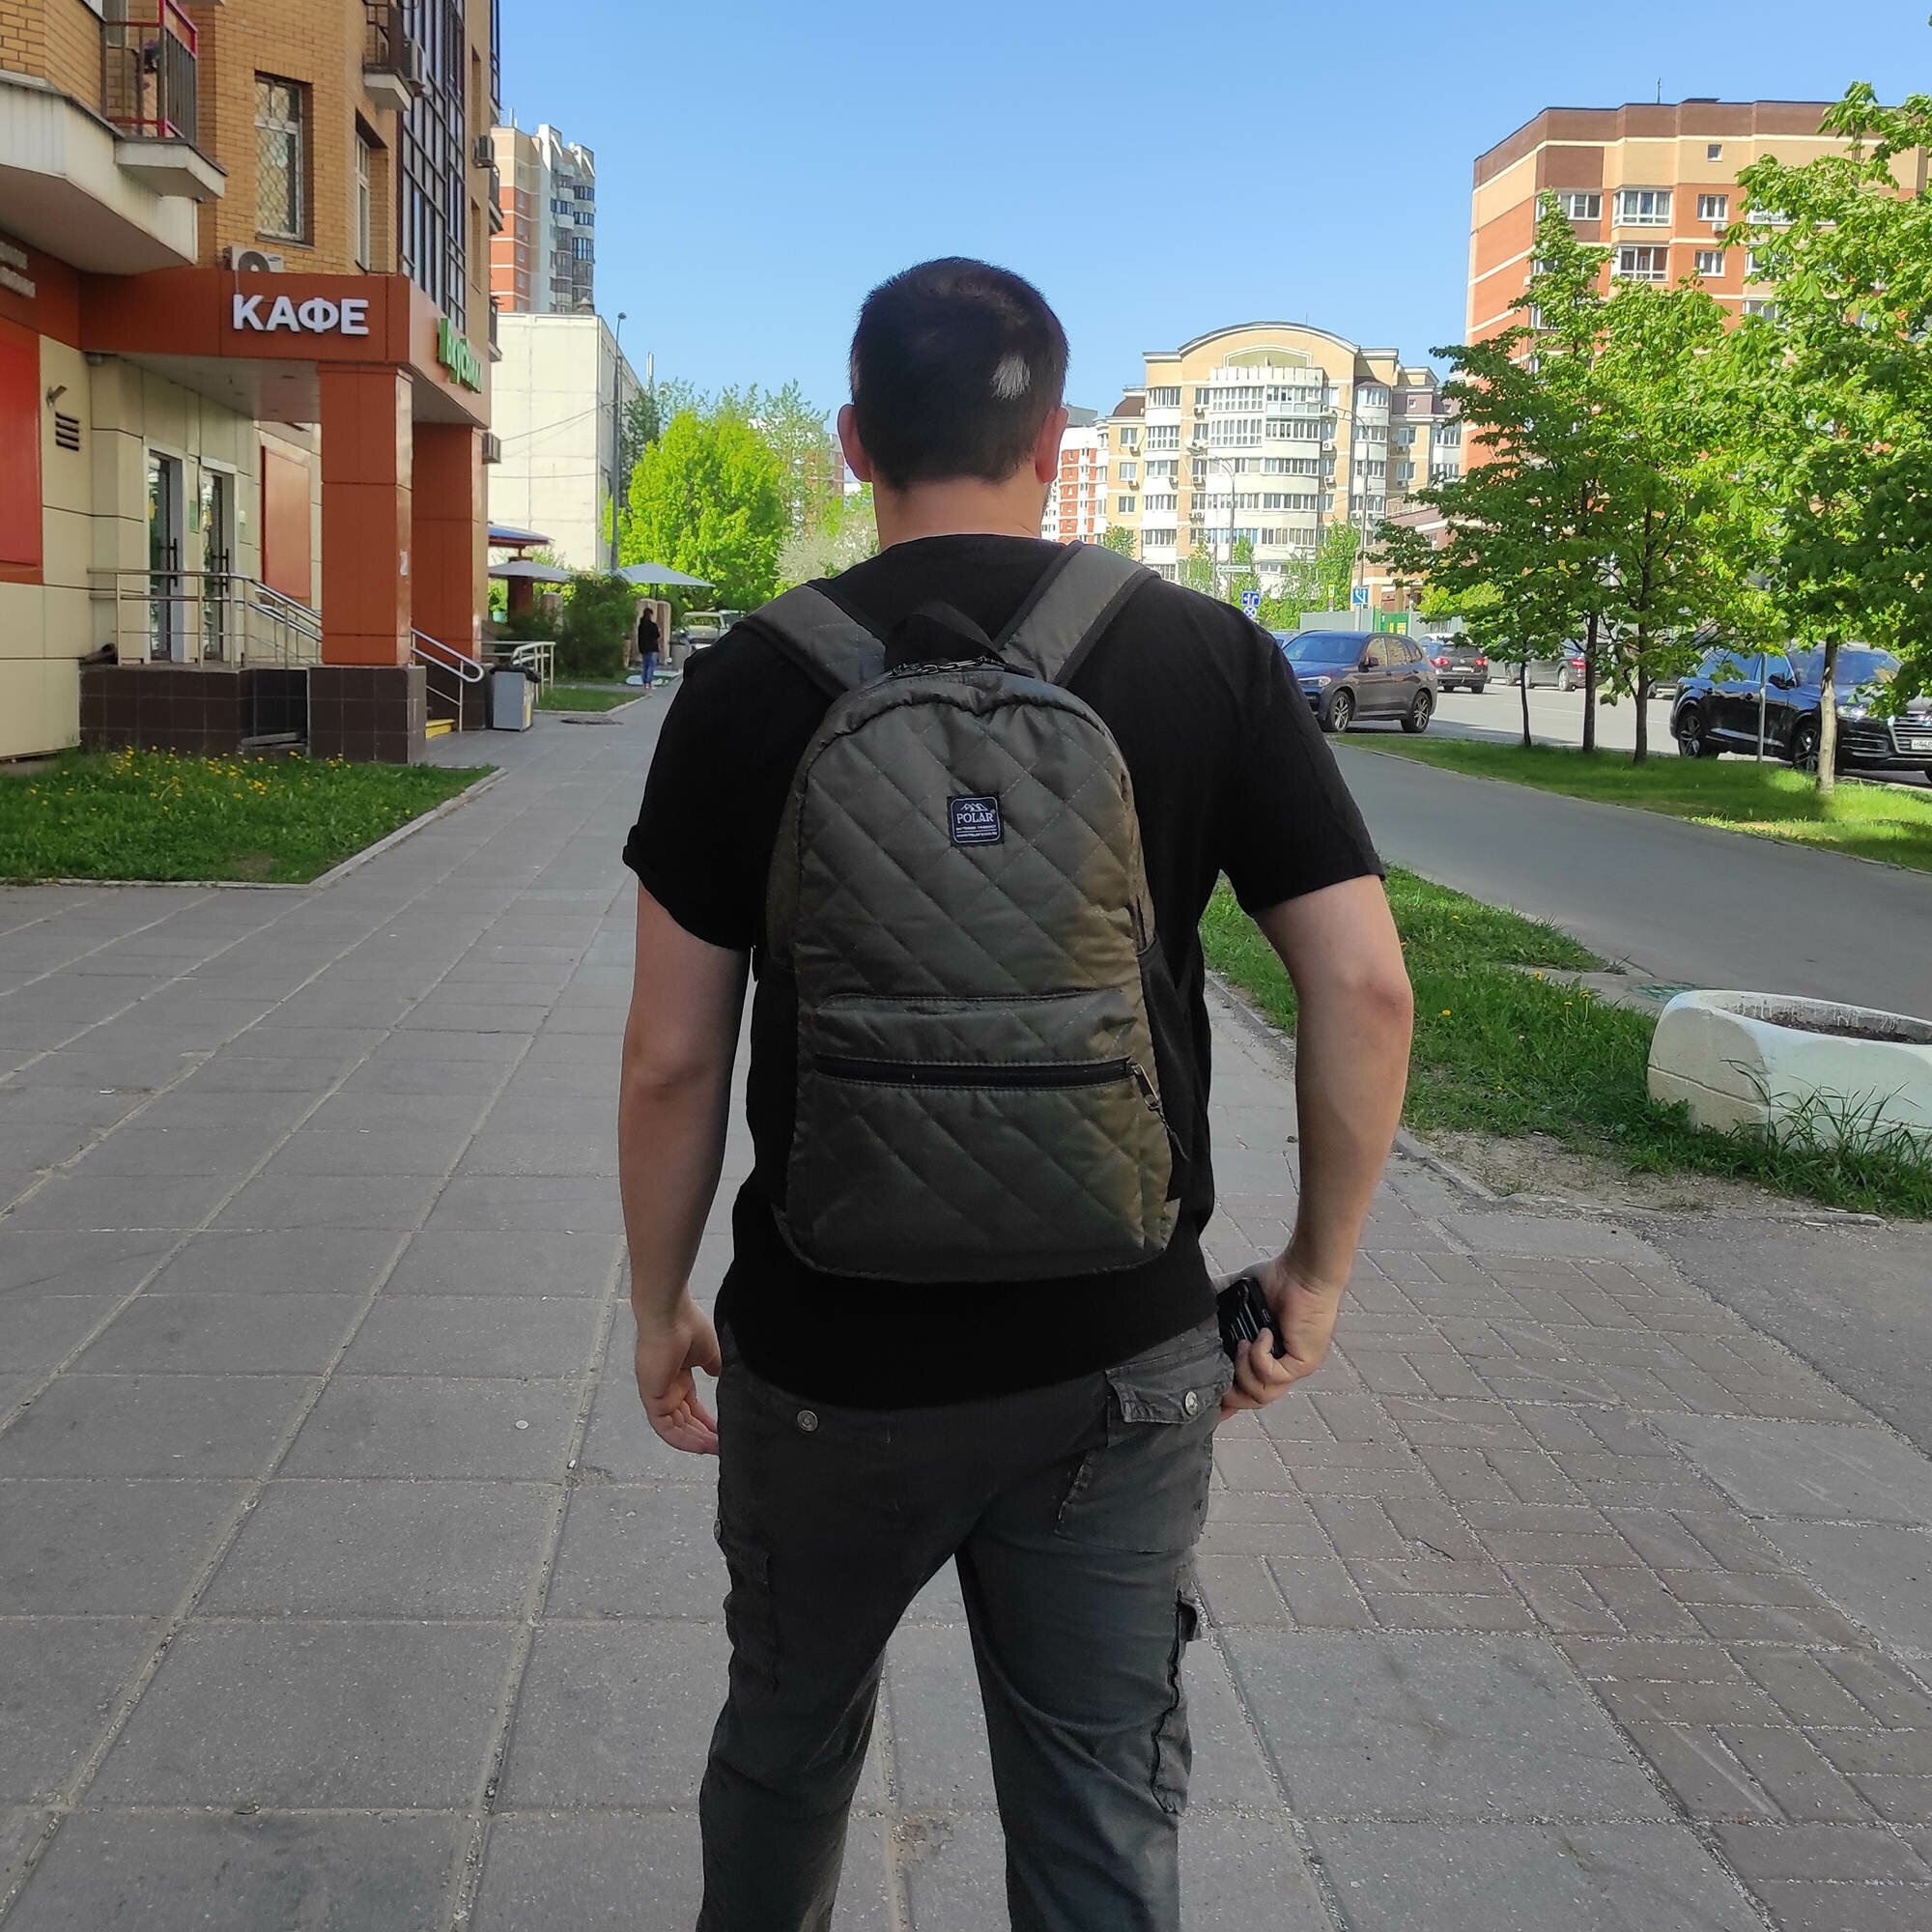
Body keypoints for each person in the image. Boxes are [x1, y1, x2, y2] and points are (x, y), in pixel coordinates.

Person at [617, 257, 1412, 1932]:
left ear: (853, 440)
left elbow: (672, 1054)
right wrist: (1317, 1271)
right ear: (1053, 442)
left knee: (783, 1753)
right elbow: (1364, 987)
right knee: (1098, 1804)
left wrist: (656, 1299)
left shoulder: (748, 682)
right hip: (1115, 1356)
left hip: (822, 1357)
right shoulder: (1206, 656)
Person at [638, 602, 662, 687]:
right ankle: (649, 681)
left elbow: (639, 637)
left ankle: (644, 681)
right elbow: (657, 635)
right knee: (651, 665)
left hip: (643, 648)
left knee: (645, 665)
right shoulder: (652, 625)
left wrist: (640, 647)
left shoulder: (641, 626)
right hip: (652, 648)